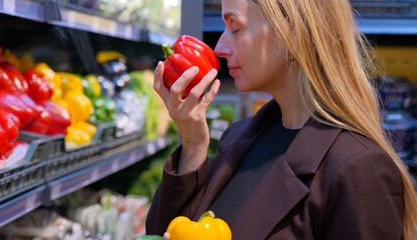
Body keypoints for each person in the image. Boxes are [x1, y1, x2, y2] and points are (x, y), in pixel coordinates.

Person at [146, 0, 417, 239]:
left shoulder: (358, 169)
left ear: (290, 30)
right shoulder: (237, 137)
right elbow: (167, 232)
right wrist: (193, 142)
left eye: (235, 28)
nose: (219, 47)